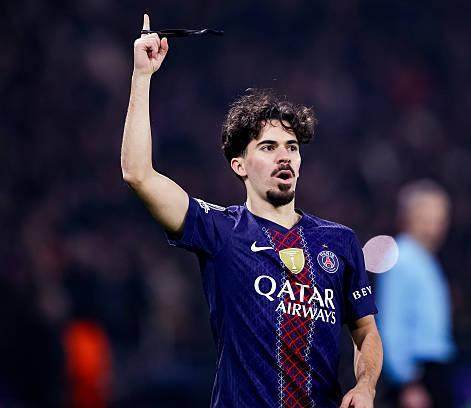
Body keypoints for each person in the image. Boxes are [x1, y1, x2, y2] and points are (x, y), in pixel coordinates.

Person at [121, 14, 382, 408]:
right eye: (268, 147)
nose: (284, 156)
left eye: (292, 147)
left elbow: (366, 331)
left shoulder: (339, 241)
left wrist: (365, 387)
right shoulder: (221, 231)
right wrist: (142, 76)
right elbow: (138, 174)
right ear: (239, 165)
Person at [375, 180, 456, 408]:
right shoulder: (402, 259)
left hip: (432, 368)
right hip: (418, 372)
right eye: (432, 216)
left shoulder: (423, 258)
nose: (441, 224)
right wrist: (407, 381)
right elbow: (391, 323)